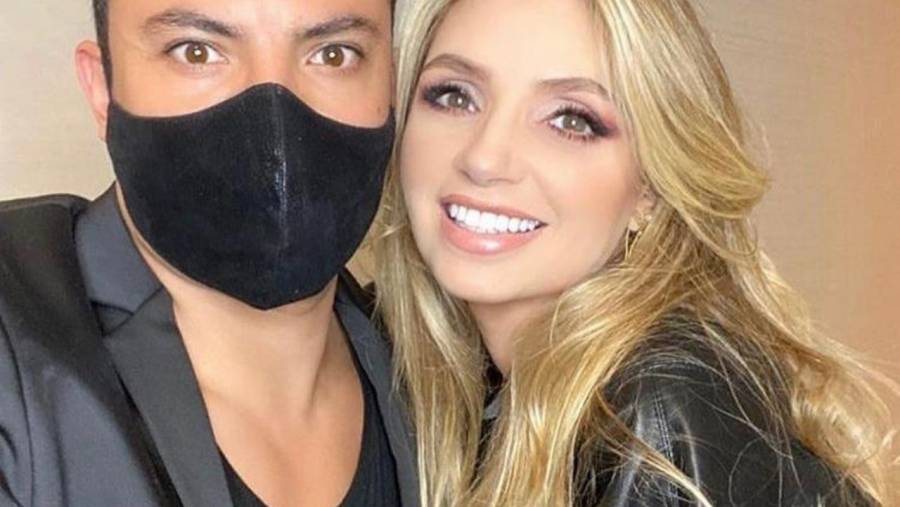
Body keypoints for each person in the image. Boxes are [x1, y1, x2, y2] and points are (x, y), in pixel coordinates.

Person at [373, 0, 896, 505]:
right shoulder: (402, 358)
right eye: (454, 96)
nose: (484, 158)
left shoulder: (654, 416)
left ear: (649, 189)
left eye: (570, 120)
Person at [0, 0, 417, 505]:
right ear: (102, 88)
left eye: (334, 54)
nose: (273, 124)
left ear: (393, 83)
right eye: (195, 52)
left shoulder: (437, 379)